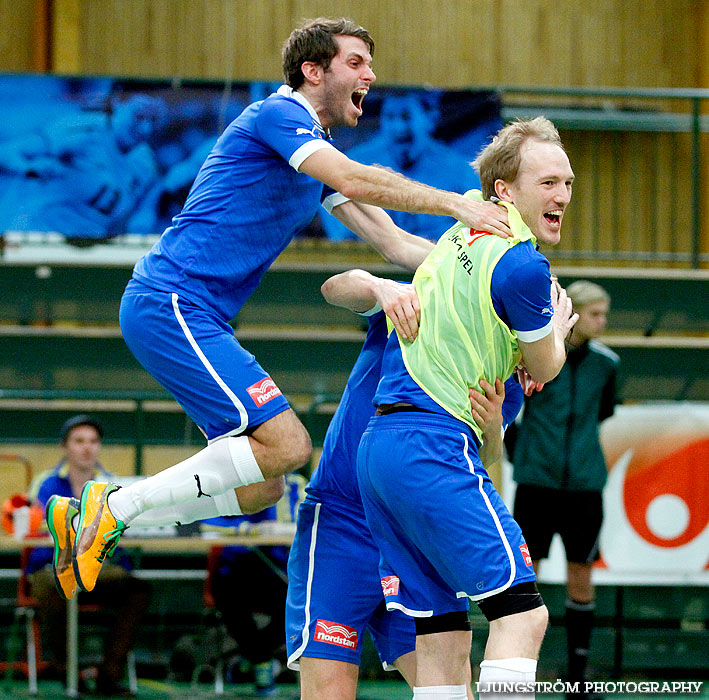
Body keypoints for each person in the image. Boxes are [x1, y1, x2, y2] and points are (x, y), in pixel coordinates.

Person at [48, 16, 513, 601]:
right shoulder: (280, 115)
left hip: (195, 313)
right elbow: (354, 177)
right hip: (171, 302)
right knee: (290, 446)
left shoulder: (315, 151)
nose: (370, 74)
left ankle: (107, 512)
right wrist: (459, 206)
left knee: (266, 482)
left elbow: (398, 245)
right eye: (355, 62)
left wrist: (490, 279)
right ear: (312, 71)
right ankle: (114, 506)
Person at [356, 116, 578, 700]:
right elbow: (548, 368)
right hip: (433, 447)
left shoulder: (457, 241)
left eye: (568, 184)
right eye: (549, 182)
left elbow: (398, 244)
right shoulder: (523, 267)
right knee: (523, 616)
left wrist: (338, 194)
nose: (562, 196)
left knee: (441, 634)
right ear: (503, 192)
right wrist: (555, 330)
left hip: (380, 452)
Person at [285, 268, 525, 700]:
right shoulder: (424, 303)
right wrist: (381, 287)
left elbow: (485, 460)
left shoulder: (505, 377)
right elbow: (332, 286)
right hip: (344, 522)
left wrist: (492, 430)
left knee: (449, 685)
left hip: (410, 534)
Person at [511, 281, 619, 699]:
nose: (602, 322)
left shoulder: (608, 364)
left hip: (584, 488)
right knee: (526, 576)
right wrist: (526, 457)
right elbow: (513, 407)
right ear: (574, 314)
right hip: (537, 484)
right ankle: (522, 672)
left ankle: (577, 678)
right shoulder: (538, 356)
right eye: (595, 314)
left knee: (581, 573)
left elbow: (605, 410)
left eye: (604, 314)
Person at [26, 415, 151, 696]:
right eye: (79, 441)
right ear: (64, 447)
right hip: (52, 568)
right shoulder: (44, 484)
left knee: (138, 591)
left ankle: (109, 674)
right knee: (53, 588)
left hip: (100, 571)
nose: (87, 448)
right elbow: (32, 530)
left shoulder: (114, 485)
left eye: (93, 442)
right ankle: (67, 672)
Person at [0, 94, 163, 238]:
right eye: (139, 116)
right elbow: (7, 152)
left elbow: (136, 217)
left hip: (86, 253)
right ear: (118, 105)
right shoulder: (84, 129)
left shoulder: (146, 165)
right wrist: (29, 168)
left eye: (153, 121)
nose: (145, 128)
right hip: (38, 235)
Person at [320, 93, 479, 241]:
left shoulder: (462, 171)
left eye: (406, 116)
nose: (399, 127)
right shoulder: (354, 163)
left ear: (430, 118)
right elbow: (340, 236)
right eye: (390, 117)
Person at [208, 473, 304, 697]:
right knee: (227, 593)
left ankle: (253, 657)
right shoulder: (238, 480)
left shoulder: (296, 484)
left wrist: (280, 529)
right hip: (236, 568)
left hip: (277, 570)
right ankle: (259, 660)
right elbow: (208, 523)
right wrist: (248, 529)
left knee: (298, 606)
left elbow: (309, 522)